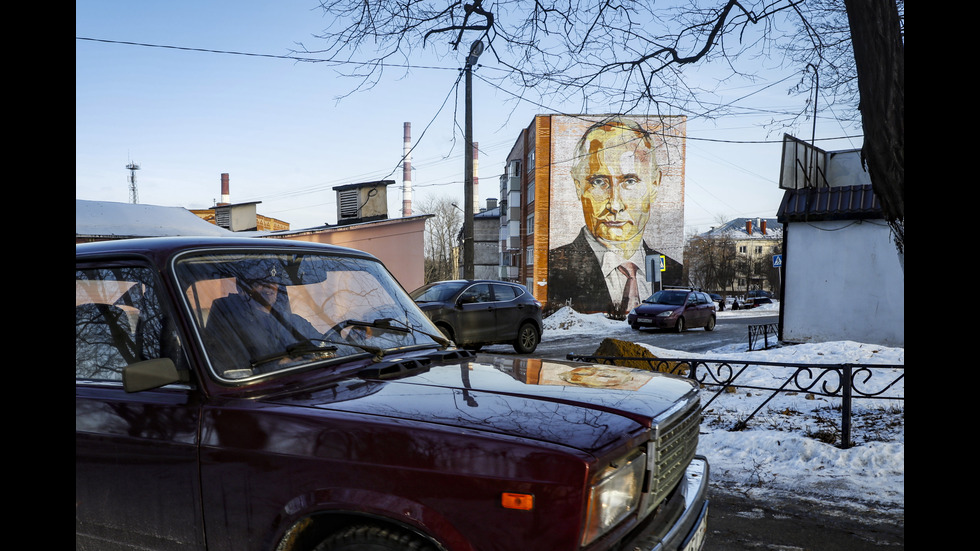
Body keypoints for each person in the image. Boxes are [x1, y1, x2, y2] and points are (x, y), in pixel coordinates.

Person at [548, 116, 672, 317]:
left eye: (630, 181)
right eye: (598, 182)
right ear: (578, 186)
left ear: (655, 185)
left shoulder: (672, 273)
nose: (615, 204)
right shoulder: (556, 268)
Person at [203, 275, 323, 373]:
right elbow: (229, 369)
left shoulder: (294, 321)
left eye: (273, 281)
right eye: (260, 282)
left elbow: (325, 345)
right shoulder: (229, 324)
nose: (269, 287)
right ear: (242, 290)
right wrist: (279, 366)